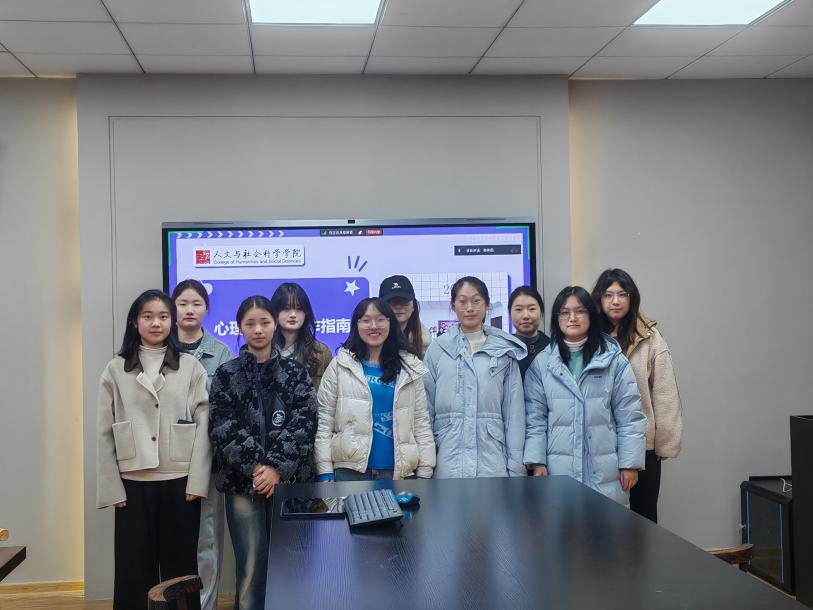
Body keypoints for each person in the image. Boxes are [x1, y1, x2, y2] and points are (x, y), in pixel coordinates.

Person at [96, 289, 210, 610]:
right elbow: (104, 431)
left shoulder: (190, 367)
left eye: (163, 316)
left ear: (172, 321)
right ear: (135, 322)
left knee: (180, 571)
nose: (156, 323)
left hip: (180, 481)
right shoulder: (115, 369)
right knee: (133, 570)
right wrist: (112, 487)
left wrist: (197, 481)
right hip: (132, 483)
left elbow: (204, 426)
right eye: (147, 316)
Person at [208, 295, 316, 610]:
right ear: (240, 327)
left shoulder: (295, 372)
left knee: (291, 565)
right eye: (250, 323)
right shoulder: (226, 374)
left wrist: (276, 467)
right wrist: (259, 468)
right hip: (244, 485)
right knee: (251, 568)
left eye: (264, 322)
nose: (258, 330)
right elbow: (222, 426)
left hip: (289, 483)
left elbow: (306, 421)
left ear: (274, 325)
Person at [523, 286, 646, 506]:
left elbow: (630, 416)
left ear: (591, 315)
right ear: (556, 318)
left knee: (605, 525)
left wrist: (629, 463)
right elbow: (535, 420)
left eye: (580, 311)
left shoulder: (613, 361)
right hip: (559, 469)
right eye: (564, 312)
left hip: (605, 470)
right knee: (562, 525)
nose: (572, 318)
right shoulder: (542, 364)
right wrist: (537, 461)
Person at [592, 268, 682, 522]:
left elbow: (665, 393)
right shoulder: (590, 338)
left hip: (643, 445)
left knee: (643, 520)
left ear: (632, 298)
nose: (616, 301)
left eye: (622, 294)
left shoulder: (650, 338)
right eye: (608, 295)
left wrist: (664, 443)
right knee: (604, 520)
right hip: (601, 444)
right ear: (599, 299)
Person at [315, 297, 436, 481]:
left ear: (390, 323)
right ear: (356, 325)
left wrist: (426, 468)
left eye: (380, 319)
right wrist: (324, 469)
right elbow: (325, 422)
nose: (373, 326)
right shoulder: (340, 365)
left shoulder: (409, 367)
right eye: (366, 320)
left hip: (398, 472)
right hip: (350, 471)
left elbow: (420, 422)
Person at [423, 276, 527, 478]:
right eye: (462, 301)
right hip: (448, 462)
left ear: (486, 304)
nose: (469, 308)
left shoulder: (504, 351)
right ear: (453, 306)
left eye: (476, 301)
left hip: (492, 463)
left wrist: (516, 469)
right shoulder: (437, 350)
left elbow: (514, 414)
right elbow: (426, 411)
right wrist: (425, 465)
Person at [171, 279, 233, 610]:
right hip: (166, 460)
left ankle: (205, 606)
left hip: (207, 459)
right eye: (183, 303)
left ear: (207, 309)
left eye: (196, 303)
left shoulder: (221, 353)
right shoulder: (160, 348)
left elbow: (225, 409)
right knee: (172, 537)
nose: (189, 309)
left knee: (206, 539)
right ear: (173, 307)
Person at [270, 282, 333, 391]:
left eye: (299, 309)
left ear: (306, 313)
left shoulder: (321, 352)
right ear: (275, 313)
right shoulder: (264, 350)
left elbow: (331, 394)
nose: (293, 315)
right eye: (286, 308)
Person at [378, 274, 432, 357]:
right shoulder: (370, 341)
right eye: (391, 302)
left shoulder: (425, 344)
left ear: (413, 306)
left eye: (404, 301)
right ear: (380, 307)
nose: (398, 306)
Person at [509, 285, 551, 380]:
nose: (526, 316)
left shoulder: (552, 348)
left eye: (532, 309)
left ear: (541, 312)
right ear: (509, 313)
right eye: (519, 309)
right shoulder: (504, 349)